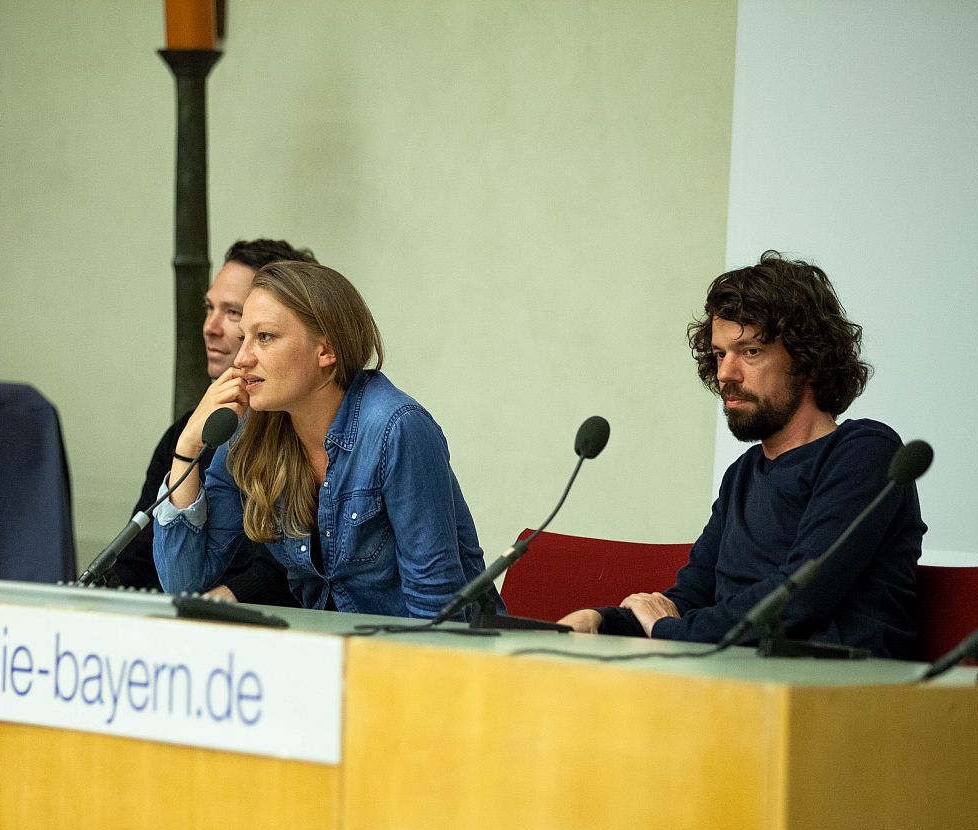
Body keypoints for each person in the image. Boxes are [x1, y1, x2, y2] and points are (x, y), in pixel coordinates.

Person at [558, 251, 924, 658]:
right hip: (741, 675)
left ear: (809, 361)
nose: (725, 374)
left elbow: (800, 597)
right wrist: (602, 620)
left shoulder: (865, 453)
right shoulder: (743, 474)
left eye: (750, 351)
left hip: (838, 685)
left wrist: (669, 630)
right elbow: (691, 598)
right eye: (720, 354)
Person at [153, 260, 503, 620]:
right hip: (339, 647)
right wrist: (187, 447)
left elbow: (436, 609)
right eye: (244, 338)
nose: (241, 359)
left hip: (437, 649)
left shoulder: (396, 428)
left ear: (326, 350)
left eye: (265, 337)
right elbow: (183, 583)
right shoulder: (250, 432)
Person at [111, 239, 315, 605]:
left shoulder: (310, 427)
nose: (210, 327)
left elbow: (297, 564)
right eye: (209, 308)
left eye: (233, 313)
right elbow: (136, 559)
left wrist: (234, 595)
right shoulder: (188, 431)